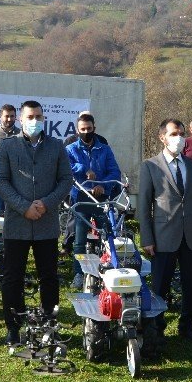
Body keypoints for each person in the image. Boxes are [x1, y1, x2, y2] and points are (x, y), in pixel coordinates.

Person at [0, 100, 74, 346]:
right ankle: (13, 327)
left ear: (44, 118)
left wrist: (46, 203)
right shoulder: (7, 147)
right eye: (30, 117)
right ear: (20, 119)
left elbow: (66, 180)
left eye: (38, 117)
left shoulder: (56, 146)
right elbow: (1, 182)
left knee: (49, 277)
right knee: (12, 277)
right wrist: (24, 206)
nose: (34, 121)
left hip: (46, 223)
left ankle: (50, 324)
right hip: (17, 223)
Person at [137, 118, 192, 345]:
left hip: (191, 236)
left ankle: (187, 327)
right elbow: (144, 207)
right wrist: (147, 238)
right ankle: (156, 329)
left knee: (190, 285)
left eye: (180, 133)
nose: (178, 138)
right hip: (163, 236)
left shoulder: (190, 165)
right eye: (173, 134)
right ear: (162, 137)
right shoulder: (150, 166)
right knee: (160, 286)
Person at [65, 113, 122, 288]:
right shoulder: (70, 149)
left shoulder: (104, 149)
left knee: (108, 234)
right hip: (81, 198)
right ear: (77, 130)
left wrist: (103, 186)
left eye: (89, 129)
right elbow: (65, 169)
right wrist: (84, 168)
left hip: (101, 198)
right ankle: (78, 274)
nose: (86, 132)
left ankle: (109, 268)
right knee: (79, 239)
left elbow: (114, 172)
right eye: (82, 129)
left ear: (94, 129)